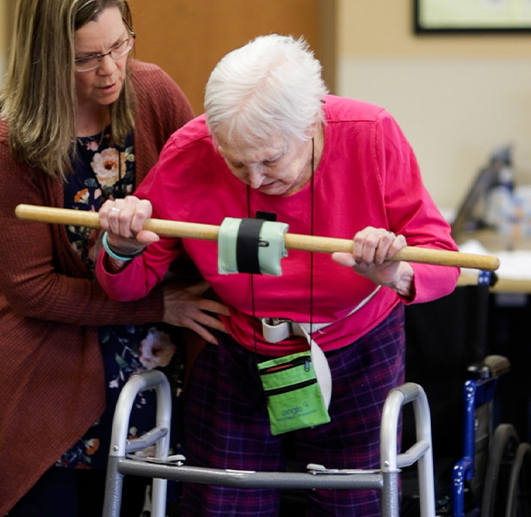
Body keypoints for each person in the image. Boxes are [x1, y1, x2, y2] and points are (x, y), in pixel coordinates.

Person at [94, 34, 460, 517]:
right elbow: (129, 283)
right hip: (238, 345)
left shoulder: (370, 134)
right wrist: (119, 248)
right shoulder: (191, 151)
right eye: (235, 161)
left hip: (359, 348)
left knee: (352, 506)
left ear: (311, 122)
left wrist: (395, 271)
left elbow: (445, 263)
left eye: (270, 160)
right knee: (221, 505)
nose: (255, 181)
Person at [0, 0, 227, 517]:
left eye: (120, 45)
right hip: (47, 353)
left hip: (153, 354)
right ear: (47, 57)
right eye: (87, 59)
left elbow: (211, 198)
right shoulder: (10, 140)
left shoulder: (152, 93)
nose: (111, 70)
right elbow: (30, 290)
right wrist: (157, 304)